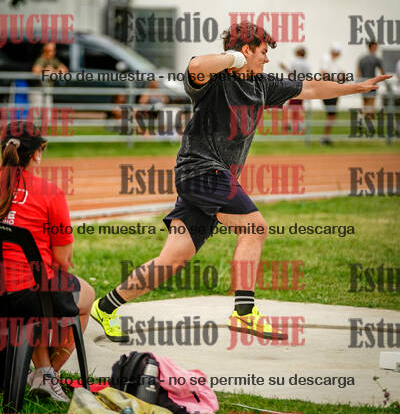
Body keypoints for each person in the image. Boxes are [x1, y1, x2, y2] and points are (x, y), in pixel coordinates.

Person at [89, 22, 390, 343]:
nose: (267, 59)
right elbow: (196, 66)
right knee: (254, 227)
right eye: (263, 52)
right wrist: (233, 59)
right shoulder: (214, 81)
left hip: (211, 179)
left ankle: (105, 307)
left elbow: (312, 89)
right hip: (201, 172)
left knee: (172, 259)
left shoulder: (262, 84)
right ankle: (244, 313)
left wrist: (357, 88)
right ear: (245, 50)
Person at [0, 121, 95, 401]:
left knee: (38, 289)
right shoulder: (49, 192)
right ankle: (48, 373)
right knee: (84, 295)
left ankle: (40, 370)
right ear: (37, 153)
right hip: (26, 295)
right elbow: (62, 259)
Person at [320, 42, 345, 145]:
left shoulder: (334, 61)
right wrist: (338, 78)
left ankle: (326, 137)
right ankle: (325, 138)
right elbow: (323, 74)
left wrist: (342, 77)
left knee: (332, 115)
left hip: (332, 89)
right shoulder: (327, 59)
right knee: (331, 114)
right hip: (328, 89)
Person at [31, 43, 69, 109]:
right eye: (49, 50)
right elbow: (35, 70)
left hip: (48, 90)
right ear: (44, 51)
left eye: (53, 50)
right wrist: (46, 71)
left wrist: (53, 71)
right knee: (37, 112)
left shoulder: (53, 60)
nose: (51, 53)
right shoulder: (41, 59)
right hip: (37, 91)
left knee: (48, 112)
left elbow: (64, 70)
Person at [356, 41, 385, 121]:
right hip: (372, 83)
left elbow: (358, 72)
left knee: (365, 103)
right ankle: (369, 121)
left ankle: (361, 118)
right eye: (376, 47)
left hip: (363, 83)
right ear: (372, 47)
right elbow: (382, 71)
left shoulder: (362, 58)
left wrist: (358, 83)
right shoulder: (376, 58)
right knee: (371, 103)